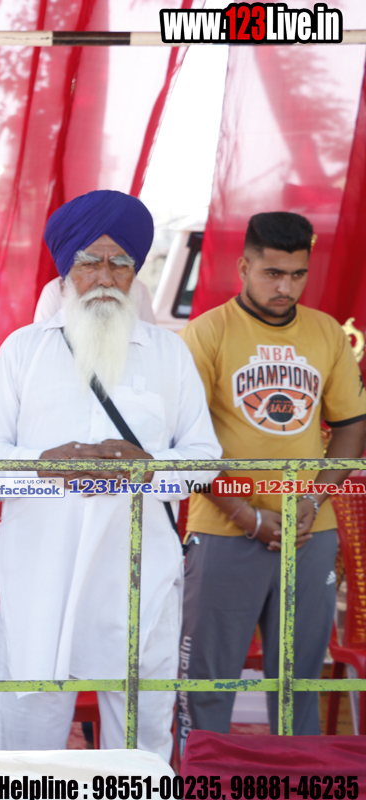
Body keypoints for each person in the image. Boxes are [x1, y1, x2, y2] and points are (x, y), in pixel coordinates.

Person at [0, 190, 220, 760]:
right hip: (41, 575)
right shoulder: (23, 351)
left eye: (120, 263)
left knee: (141, 740)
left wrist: (149, 469)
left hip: (138, 576)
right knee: (26, 742)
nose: (105, 277)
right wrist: (44, 465)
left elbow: (204, 458)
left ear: (136, 274)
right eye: (90, 262)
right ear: (66, 271)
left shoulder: (168, 354)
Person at [176, 212, 366, 747]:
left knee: (298, 682)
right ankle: (203, 778)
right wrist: (246, 514)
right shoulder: (206, 333)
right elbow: (185, 441)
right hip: (224, 528)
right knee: (209, 682)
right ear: (244, 267)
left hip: (308, 530)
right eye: (273, 273)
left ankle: (296, 777)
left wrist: (315, 496)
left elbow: (352, 426)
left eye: (297, 275)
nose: (286, 287)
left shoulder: (326, 333)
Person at [34, 274, 155, 324]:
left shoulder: (138, 289)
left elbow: (149, 339)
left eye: (116, 264)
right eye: (90, 264)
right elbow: (42, 341)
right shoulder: (54, 289)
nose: (106, 281)